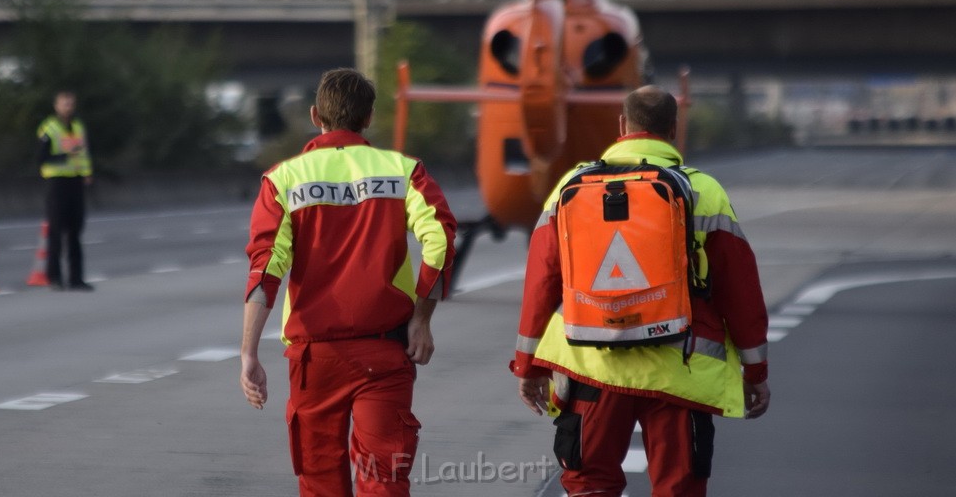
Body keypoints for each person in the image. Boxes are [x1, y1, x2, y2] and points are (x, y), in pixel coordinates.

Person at [511, 85, 770, 496]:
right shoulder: (704, 191)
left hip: (591, 365)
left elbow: (542, 280)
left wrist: (528, 365)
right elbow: (739, 290)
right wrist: (755, 371)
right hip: (680, 371)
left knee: (589, 483)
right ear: (672, 128)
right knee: (679, 487)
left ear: (621, 126)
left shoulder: (570, 186)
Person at [240, 68, 457, 497]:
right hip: (385, 352)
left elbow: (267, 267)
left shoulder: (283, 179)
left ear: (316, 114)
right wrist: (422, 318)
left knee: (320, 484)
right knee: (385, 481)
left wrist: (248, 351)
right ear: (370, 117)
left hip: (313, 359)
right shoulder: (403, 171)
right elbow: (441, 242)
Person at [37, 91, 94, 291]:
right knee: (56, 231)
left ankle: (76, 278)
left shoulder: (78, 126)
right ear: (56, 106)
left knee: (75, 232)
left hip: (76, 182)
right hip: (57, 183)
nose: (68, 107)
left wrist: (87, 173)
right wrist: (65, 155)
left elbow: (84, 154)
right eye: (64, 104)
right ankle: (54, 277)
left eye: (71, 103)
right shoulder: (49, 128)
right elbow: (42, 158)